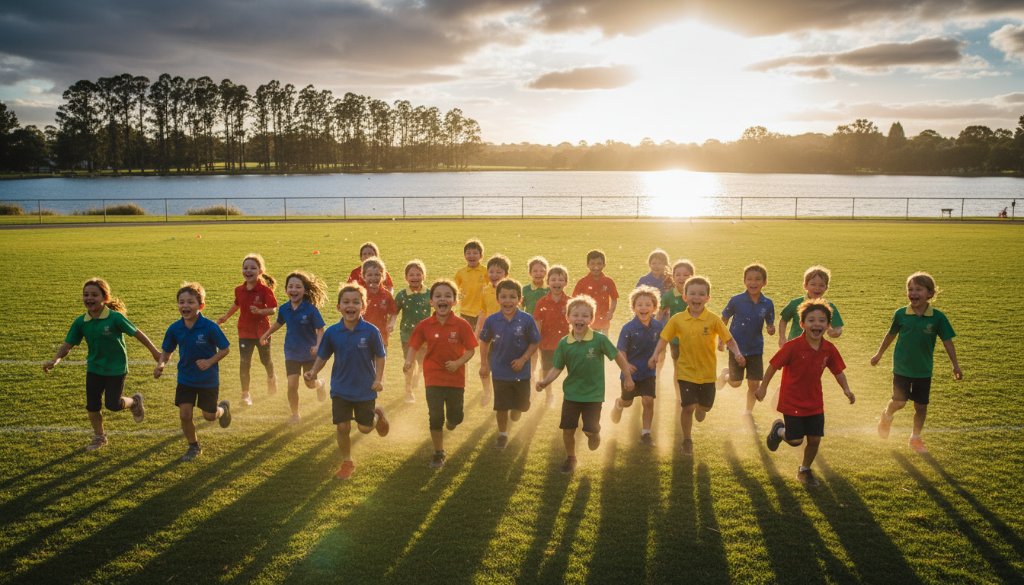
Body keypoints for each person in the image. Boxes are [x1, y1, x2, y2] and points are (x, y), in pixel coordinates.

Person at [44, 278, 161, 451]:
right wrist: (55, 360)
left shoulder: (115, 318)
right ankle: (99, 437)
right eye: (86, 295)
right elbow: (68, 345)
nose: (89, 298)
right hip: (95, 368)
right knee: (92, 405)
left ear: (105, 298)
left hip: (116, 369)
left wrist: (155, 352)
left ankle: (134, 402)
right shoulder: (81, 322)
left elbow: (137, 334)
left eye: (94, 295)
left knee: (112, 405)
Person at [756, 300, 855, 487]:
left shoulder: (829, 349)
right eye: (811, 320)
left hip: (814, 401)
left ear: (827, 325)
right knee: (795, 440)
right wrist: (763, 387)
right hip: (792, 400)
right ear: (802, 324)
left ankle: (804, 470)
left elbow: (838, 371)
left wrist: (846, 390)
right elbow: (773, 366)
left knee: (815, 439)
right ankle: (779, 430)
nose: (816, 324)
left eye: (821, 321)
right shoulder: (792, 346)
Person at [536, 295, 634, 473]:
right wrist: (544, 382)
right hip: (572, 394)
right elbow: (556, 368)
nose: (580, 319)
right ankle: (570, 458)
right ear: (568, 318)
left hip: (593, 395)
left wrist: (627, 375)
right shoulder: (564, 343)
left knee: (589, 429)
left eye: (585, 316)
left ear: (591, 319)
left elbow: (617, 356)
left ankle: (594, 433)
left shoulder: (599, 340)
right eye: (575, 315)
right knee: (567, 429)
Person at [648, 276, 744, 456]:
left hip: (707, 374)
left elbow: (729, 340)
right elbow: (664, 338)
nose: (696, 297)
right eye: (692, 294)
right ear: (685, 297)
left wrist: (737, 353)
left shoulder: (714, 320)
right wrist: (655, 354)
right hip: (685, 372)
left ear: (708, 298)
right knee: (687, 407)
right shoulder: (677, 319)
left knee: (704, 408)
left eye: (701, 294)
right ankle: (687, 439)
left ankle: (702, 408)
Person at [871, 272, 961, 453]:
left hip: (923, 370)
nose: (913, 293)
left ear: (930, 293)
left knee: (920, 407)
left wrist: (955, 365)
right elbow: (890, 335)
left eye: (918, 289)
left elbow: (947, 342)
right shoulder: (901, 314)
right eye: (910, 289)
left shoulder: (938, 318)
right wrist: (879, 354)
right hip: (902, 368)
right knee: (899, 402)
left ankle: (915, 437)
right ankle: (886, 416)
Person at [305, 284, 389, 480]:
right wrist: (313, 372)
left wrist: (378, 378)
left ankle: (378, 416)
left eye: (355, 302)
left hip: (365, 389)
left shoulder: (370, 331)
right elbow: (323, 356)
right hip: (341, 388)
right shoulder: (333, 332)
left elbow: (380, 356)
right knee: (343, 427)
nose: (350, 306)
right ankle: (347, 462)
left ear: (363, 306)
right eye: (346, 302)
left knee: (365, 428)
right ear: (338, 307)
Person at [154, 282, 232, 462]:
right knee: (185, 414)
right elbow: (167, 351)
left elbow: (225, 349)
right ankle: (193, 446)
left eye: (190, 302)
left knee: (209, 416)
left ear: (201, 305)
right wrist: (161, 365)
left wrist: (209, 361)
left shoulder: (210, 327)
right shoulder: (175, 328)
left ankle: (223, 409)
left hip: (208, 379)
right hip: (185, 378)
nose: (185, 306)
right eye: (181, 302)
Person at [406, 279, 478, 468]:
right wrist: (409, 360)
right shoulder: (425, 325)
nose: (442, 299)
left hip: (456, 378)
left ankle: (452, 422)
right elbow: (413, 345)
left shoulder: (462, 325)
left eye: (447, 295)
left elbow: (471, 350)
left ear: (454, 301)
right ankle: (439, 452)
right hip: (433, 376)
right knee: (436, 416)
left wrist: (458, 362)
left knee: (456, 417)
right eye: (438, 296)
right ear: (431, 302)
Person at [479, 279, 541, 449]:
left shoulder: (526, 320)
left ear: (519, 299)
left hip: (522, 373)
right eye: (504, 297)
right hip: (499, 372)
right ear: (498, 299)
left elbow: (535, 342)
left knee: (522, 406)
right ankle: (502, 434)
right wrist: (484, 364)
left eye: (512, 297)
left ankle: (517, 409)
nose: (508, 301)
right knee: (501, 406)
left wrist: (523, 359)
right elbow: (484, 342)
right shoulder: (492, 320)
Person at [259, 271, 327, 422]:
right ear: (286, 290)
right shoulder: (284, 309)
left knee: (309, 384)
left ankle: (320, 384)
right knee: (292, 385)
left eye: (298, 287)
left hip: (309, 354)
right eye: (290, 286)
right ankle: (295, 414)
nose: (294, 290)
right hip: (291, 352)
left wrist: (317, 346)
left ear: (304, 290)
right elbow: (279, 322)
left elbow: (320, 329)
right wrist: (266, 334)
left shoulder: (310, 309)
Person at [217, 253, 278, 407]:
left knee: (266, 360)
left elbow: (273, 309)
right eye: (245, 268)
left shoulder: (265, 290)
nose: (248, 271)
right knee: (245, 362)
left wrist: (260, 312)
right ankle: (245, 394)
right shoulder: (239, 290)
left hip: (262, 332)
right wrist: (225, 317)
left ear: (260, 271)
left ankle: (271, 377)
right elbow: (237, 304)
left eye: (253, 268)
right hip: (244, 332)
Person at [717, 263, 776, 414]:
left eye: (757, 279)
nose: (753, 282)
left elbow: (770, 324)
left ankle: (748, 412)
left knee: (754, 384)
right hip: (736, 346)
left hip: (756, 348)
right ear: (744, 281)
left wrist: (771, 328)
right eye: (749, 279)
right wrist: (721, 339)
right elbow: (723, 318)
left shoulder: (767, 303)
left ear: (764, 282)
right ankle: (726, 375)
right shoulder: (736, 300)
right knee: (736, 383)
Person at [610, 286, 664, 445]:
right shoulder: (628, 328)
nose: (644, 308)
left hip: (648, 372)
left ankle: (646, 433)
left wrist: (656, 357)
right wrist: (626, 367)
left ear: (654, 308)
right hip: (631, 373)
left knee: (648, 401)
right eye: (639, 304)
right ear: (633, 308)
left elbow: (662, 344)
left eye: (648, 304)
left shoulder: (658, 327)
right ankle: (619, 403)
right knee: (628, 402)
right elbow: (621, 350)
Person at [474, 254, 511, 406]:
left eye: (499, 272)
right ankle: (487, 391)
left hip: (506, 335)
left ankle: (504, 392)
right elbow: (483, 311)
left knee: (504, 366)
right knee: (484, 366)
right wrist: (477, 330)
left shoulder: (510, 290)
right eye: (491, 272)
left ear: (506, 274)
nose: (494, 275)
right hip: (489, 333)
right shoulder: (485, 290)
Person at [394, 259, 431, 403]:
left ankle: (418, 375)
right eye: (411, 275)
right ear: (406, 277)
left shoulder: (429, 293)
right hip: (407, 334)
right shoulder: (402, 295)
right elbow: (394, 312)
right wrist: (390, 323)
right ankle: (408, 391)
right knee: (410, 363)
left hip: (425, 336)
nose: (415, 277)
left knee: (422, 362)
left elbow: (439, 308)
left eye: (418, 274)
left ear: (423, 276)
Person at [778, 266, 843, 348]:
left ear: (826, 288)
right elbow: (784, 320)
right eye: (813, 284)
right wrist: (782, 337)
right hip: (794, 347)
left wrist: (835, 332)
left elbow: (838, 328)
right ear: (805, 285)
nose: (817, 288)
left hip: (816, 348)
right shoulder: (795, 303)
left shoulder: (829, 307)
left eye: (821, 285)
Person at [533, 264, 570, 407]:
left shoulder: (570, 302)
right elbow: (537, 325)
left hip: (567, 345)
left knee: (571, 372)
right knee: (547, 370)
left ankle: (569, 396)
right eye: (553, 279)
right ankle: (549, 394)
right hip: (547, 344)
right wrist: (536, 343)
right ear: (548, 282)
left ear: (566, 283)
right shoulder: (542, 302)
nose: (557, 283)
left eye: (561, 280)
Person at [657, 259, 695, 378]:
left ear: (692, 276)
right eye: (678, 275)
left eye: (685, 275)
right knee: (678, 367)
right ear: (673, 277)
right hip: (675, 339)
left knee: (693, 366)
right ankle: (679, 396)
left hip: (694, 337)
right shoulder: (669, 296)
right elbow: (660, 314)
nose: (681, 278)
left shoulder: (696, 294)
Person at [572, 249, 619, 335]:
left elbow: (614, 298)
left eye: (599, 264)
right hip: (586, 322)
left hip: (603, 323)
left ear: (604, 265)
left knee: (602, 345)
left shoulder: (608, 281)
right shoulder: (582, 282)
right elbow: (574, 301)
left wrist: (611, 312)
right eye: (592, 264)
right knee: (586, 345)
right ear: (587, 265)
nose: (596, 267)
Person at [362, 257, 397, 347]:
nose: (373, 278)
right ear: (363, 276)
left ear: (383, 277)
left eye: (377, 274)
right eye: (370, 275)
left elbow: (393, 312)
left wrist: (392, 323)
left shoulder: (386, 295)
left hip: (381, 336)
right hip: (362, 335)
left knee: (380, 360)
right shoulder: (360, 294)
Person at [454, 239, 486, 330]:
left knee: (480, 337)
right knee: (466, 336)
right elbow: (453, 289)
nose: (471, 256)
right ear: (464, 256)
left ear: (481, 256)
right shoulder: (461, 273)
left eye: (475, 253)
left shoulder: (486, 272)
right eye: (468, 253)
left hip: (482, 312)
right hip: (465, 311)